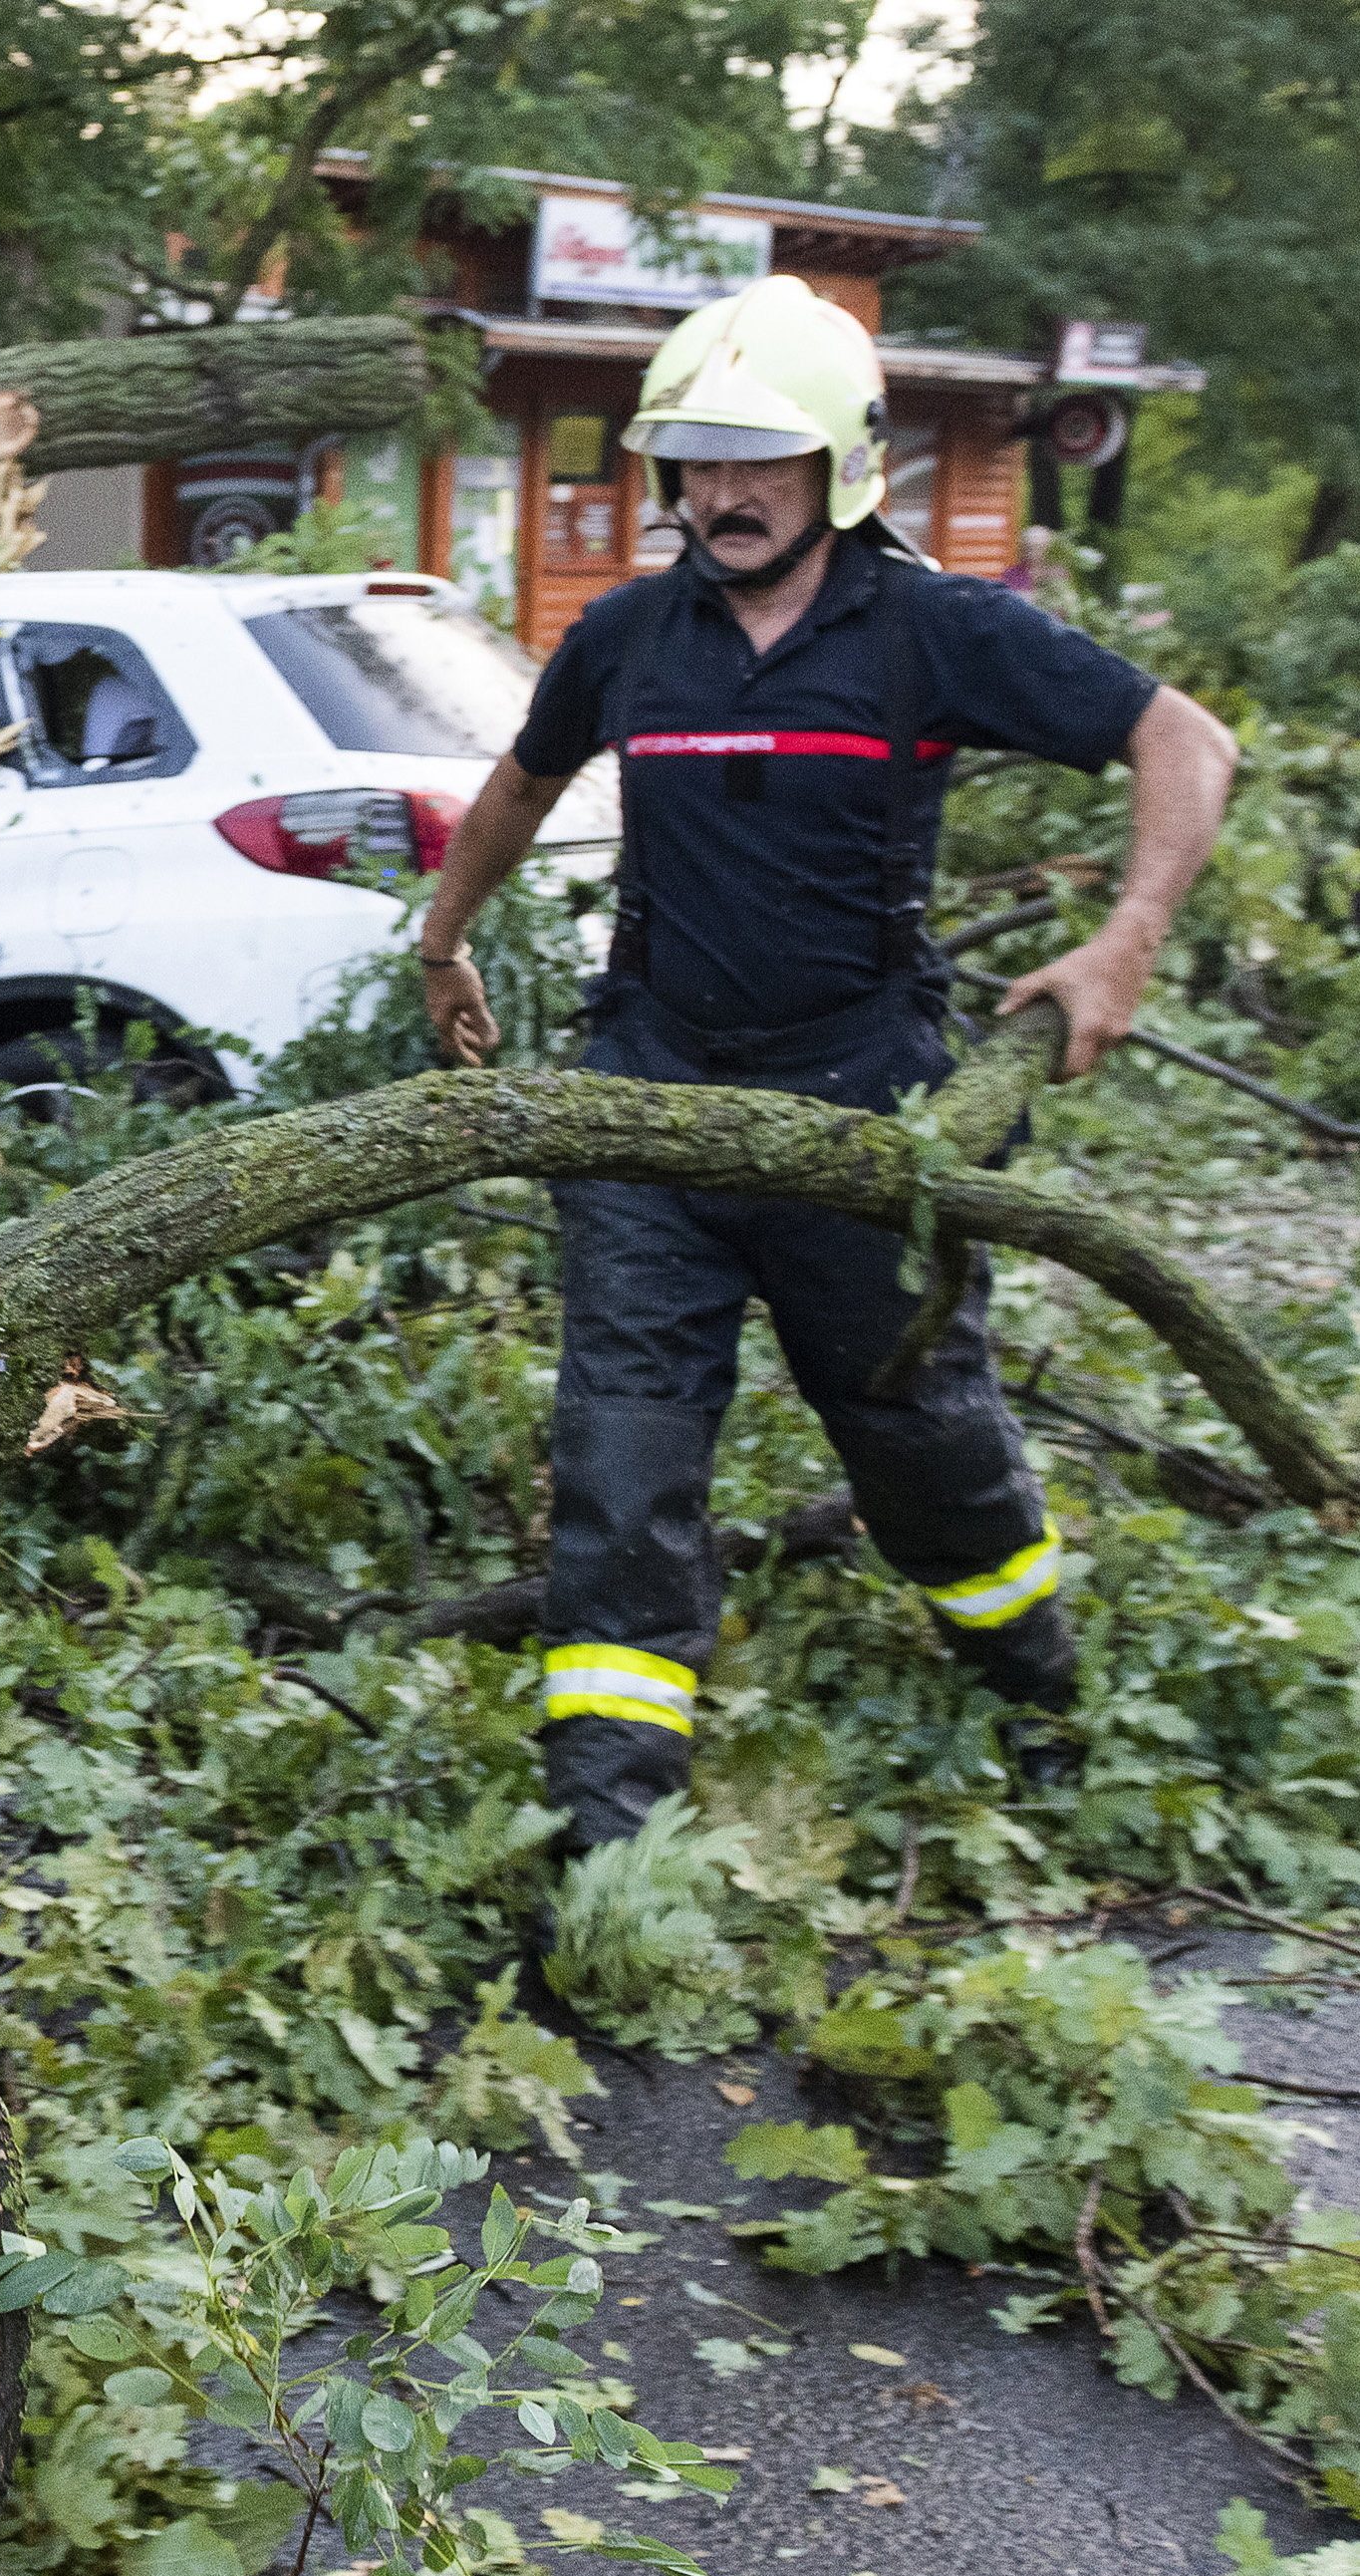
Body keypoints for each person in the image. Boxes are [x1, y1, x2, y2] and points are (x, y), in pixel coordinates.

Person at [411, 275, 1237, 1847]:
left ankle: (1035, 1690)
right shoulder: (627, 637)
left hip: (861, 1108)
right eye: (697, 461)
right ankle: (606, 1841)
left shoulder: (935, 628)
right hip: (650, 1098)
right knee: (622, 1451)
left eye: (756, 461)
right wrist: (445, 934)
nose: (720, 494)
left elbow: (1188, 743)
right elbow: (520, 783)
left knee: (919, 1434)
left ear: (839, 465)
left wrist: (1121, 944)